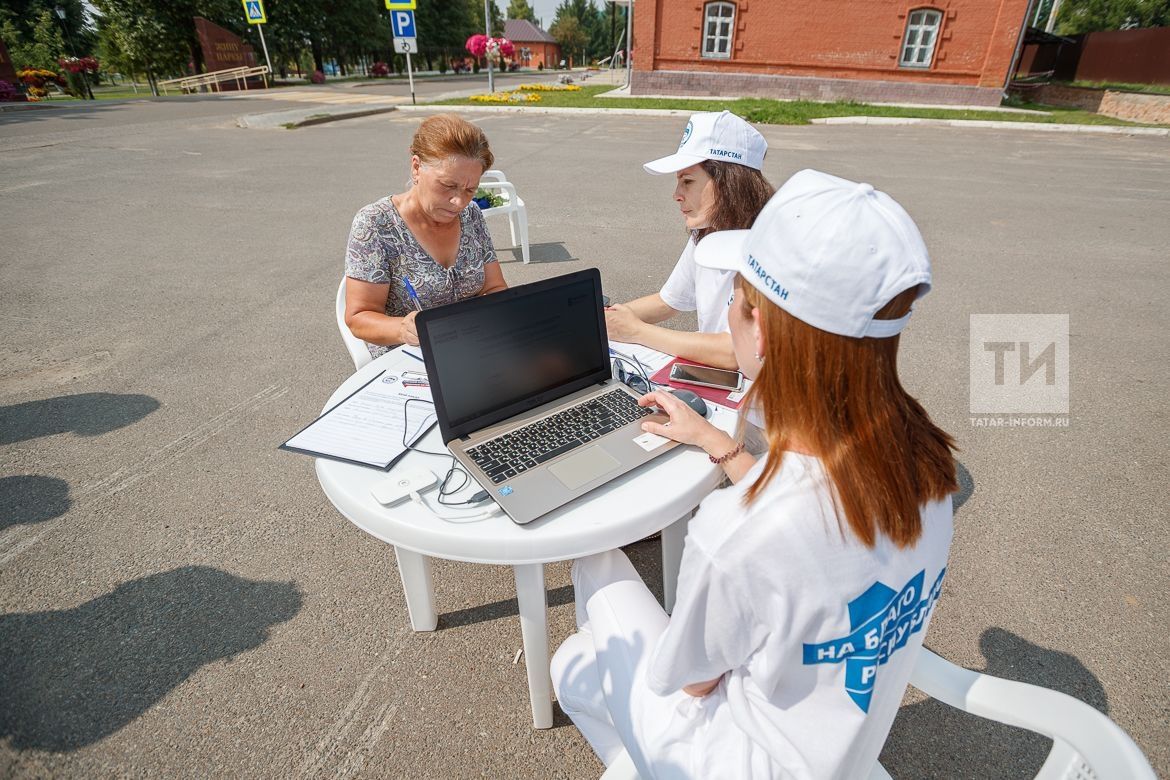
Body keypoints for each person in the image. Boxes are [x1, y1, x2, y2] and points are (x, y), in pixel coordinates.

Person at [551, 169, 959, 779]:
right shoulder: (926, 467)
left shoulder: (737, 530)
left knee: (576, 642)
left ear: (759, 327)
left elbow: (689, 683)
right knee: (596, 654)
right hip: (838, 751)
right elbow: (811, 528)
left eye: (737, 303)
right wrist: (717, 442)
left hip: (732, 758)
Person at [604, 110, 773, 370]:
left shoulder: (773, 246)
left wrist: (636, 331)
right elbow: (667, 301)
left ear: (730, 183)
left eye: (688, 181)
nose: (677, 195)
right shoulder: (705, 232)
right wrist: (604, 320)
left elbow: (735, 351)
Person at [344, 113, 508, 359]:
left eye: (470, 189)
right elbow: (358, 317)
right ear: (417, 167)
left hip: (472, 349)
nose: (458, 202)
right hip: (407, 359)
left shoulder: (471, 215)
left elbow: (494, 287)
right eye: (447, 185)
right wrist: (403, 328)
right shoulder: (376, 224)